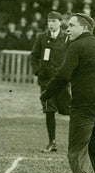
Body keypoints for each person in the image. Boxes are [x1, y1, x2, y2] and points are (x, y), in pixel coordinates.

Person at [40, 13, 95, 173]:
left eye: (71, 25)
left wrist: (46, 94)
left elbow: (63, 75)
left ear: (85, 28)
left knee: (76, 148)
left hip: (85, 104)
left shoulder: (76, 45)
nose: (67, 29)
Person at [30, 11, 71, 153]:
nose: (51, 24)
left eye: (54, 21)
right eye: (49, 21)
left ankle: (78, 141)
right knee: (49, 109)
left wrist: (67, 74)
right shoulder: (42, 37)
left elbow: (72, 57)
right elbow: (34, 56)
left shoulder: (67, 38)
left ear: (60, 22)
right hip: (46, 82)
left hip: (62, 82)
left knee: (68, 110)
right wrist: (38, 71)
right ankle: (52, 142)